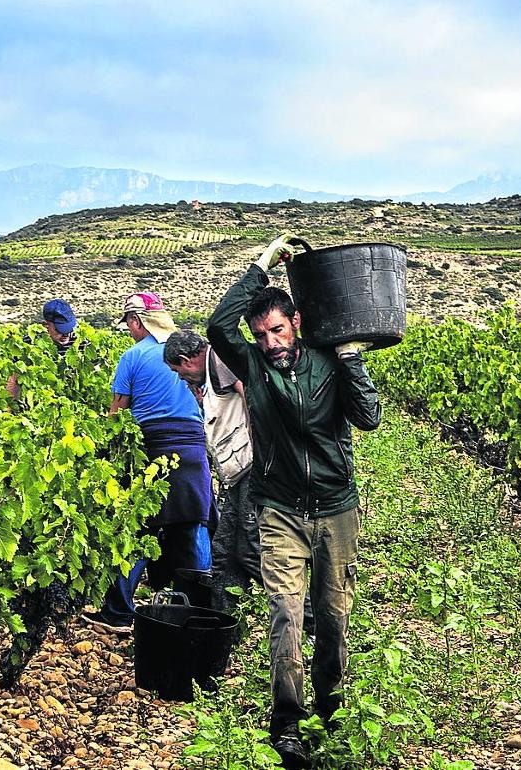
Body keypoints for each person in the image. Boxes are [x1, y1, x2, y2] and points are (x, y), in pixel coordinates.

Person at [207, 235, 382, 768]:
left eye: (278, 330)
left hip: (335, 509)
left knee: (332, 617)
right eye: (261, 335)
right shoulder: (254, 368)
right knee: (286, 612)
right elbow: (219, 325)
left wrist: (351, 360)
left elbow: (369, 417)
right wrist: (262, 265)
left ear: (297, 324)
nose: (270, 342)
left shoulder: (328, 362)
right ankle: (287, 723)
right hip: (279, 508)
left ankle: (329, 710)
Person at [81, 292, 214, 634]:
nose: (128, 330)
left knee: (138, 528)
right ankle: (204, 611)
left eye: (128, 323)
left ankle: (119, 612)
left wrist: (97, 450)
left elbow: (117, 411)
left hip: (150, 446)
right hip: (194, 445)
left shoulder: (133, 355)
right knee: (193, 523)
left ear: (137, 322)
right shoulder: (197, 354)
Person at [163, 329, 259, 611]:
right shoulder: (210, 375)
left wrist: (266, 453)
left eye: (178, 371)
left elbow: (251, 397)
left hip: (252, 470)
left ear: (186, 359)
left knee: (252, 548)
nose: (181, 378)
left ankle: (309, 618)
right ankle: (222, 623)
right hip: (237, 475)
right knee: (224, 552)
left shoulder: (221, 361)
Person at [6, 298, 83, 398]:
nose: (66, 334)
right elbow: (14, 379)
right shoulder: (29, 344)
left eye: (69, 328)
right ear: (46, 325)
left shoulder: (81, 342)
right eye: (60, 330)